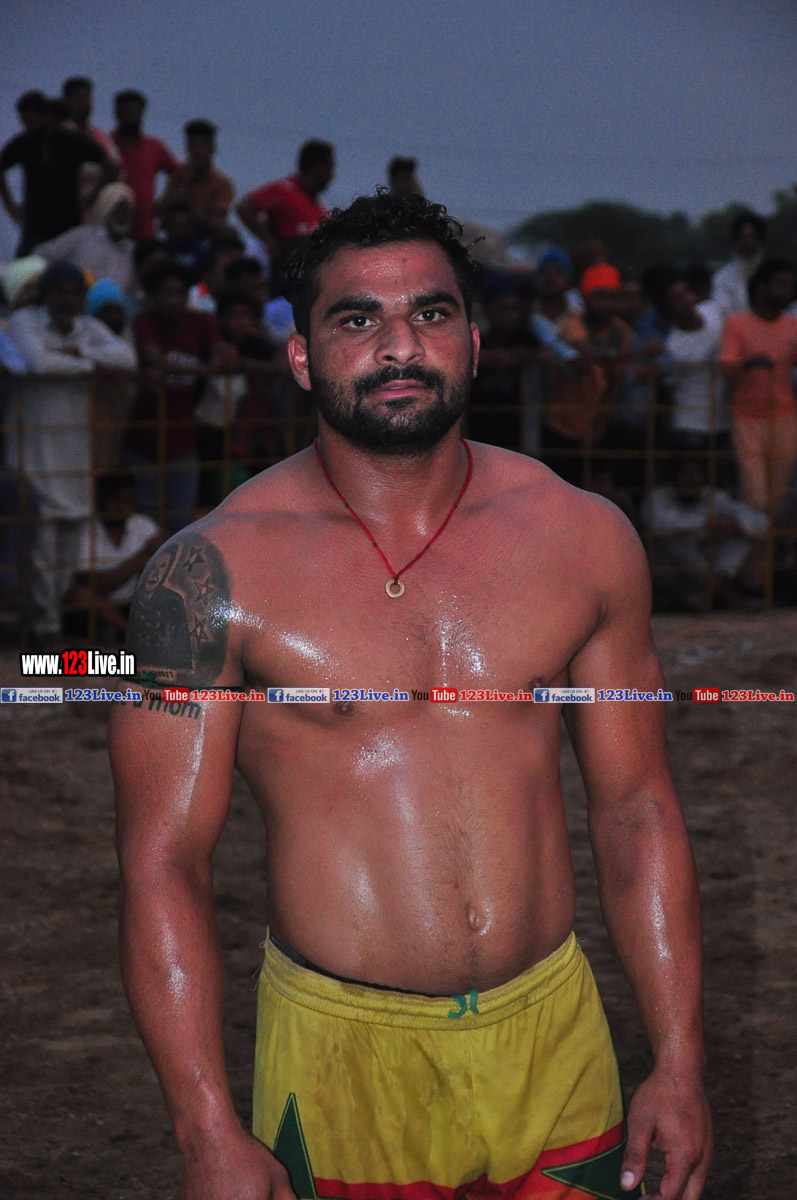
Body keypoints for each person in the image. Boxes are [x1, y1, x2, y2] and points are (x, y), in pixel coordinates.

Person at [110, 191, 711, 1200]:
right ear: (302, 357)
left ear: (472, 340)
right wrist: (205, 1127)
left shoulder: (582, 537)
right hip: (341, 1057)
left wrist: (680, 1064)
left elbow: (636, 809)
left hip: (556, 1040)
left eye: (429, 313)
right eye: (357, 320)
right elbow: (163, 861)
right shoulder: (208, 575)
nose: (399, 347)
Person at [5, 261, 135, 639]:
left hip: (75, 458)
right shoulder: (25, 321)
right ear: (46, 294)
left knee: (69, 549)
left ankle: (56, 624)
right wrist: (91, 363)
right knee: (41, 551)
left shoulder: (87, 327)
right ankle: (43, 627)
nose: (68, 299)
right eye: (60, 292)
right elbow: (38, 362)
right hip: (33, 455)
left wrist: (77, 353)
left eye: (75, 293)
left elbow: (127, 358)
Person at [124, 259, 234, 531]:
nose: (173, 300)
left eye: (179, 292)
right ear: (153, 295)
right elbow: (155, 359)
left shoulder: (202, 321)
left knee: (181, 520)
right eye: (166, 292)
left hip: (184, 437)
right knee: (145, 519)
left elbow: (221, 354)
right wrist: (205, 368)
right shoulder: (144, 321)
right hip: (144, 435)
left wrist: (220, 357)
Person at [719, 257, 797, 513]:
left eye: (790, 285)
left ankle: (771, 540)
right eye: (781, 284)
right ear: (763, 286)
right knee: (756, 497)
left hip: (785, 417)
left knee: (779, 496)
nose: (787, 291)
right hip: (747, 419)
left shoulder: (792, 325)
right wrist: (750, 363)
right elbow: (725, 367)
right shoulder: (737, 323)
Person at [0, 90, 113, 255]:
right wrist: (11, 207)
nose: (28, 126)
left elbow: (110, 165)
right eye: (24, 121)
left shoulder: (71, 141)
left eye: (31, 120)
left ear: (45, 116)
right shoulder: (23, 143)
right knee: (26, 264)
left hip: (67, 223)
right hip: (35, 225)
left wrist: (91, 197)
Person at [65, 471, 165, 637]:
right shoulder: (85, 531)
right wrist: (139, 560)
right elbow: (97, 584)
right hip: (99, 607)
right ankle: (131, 634)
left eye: (127, 501)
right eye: (115, 501)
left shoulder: (140, 523)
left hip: (134, 602)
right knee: (81, 595)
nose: (122, 507)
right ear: (101, 502)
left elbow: (166, 546)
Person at [236, 139, 335, 292]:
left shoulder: (318, 207)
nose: (332, 175)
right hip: (283, 272)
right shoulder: (284, 191)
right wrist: (268, 240)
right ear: (317, 166)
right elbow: (244, 207)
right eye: (329, 168)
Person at [33, 181, 136, 293]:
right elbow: (41, 256)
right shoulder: (81, 236)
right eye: (120, 209)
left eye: (128, 211)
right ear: (106, 209)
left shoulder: (131, 251)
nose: (124, 216)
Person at [111, 90, 178, 240]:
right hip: (110, 225)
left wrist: (165, 201)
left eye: (137, 112)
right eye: (128, 112)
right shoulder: (107, 144)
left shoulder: (154, 147)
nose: (133, 117)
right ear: (117, 113)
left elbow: (178, 174)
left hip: (143, 228)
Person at [158, 119, 235, 238]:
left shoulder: (222, 183)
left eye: (202, 145)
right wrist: (182, 186)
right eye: (193, 145)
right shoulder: (178, 177)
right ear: (187, 148)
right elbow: (162, 216)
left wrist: (189, 209)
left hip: (206, 240)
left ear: (212, 149)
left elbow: (217, 221)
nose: (197, 151)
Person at [711, 211, 766, 319]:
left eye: (753, 237)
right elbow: (722, 311)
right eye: (744, 237)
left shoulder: (772, 276)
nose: (749, 243)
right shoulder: (722, 278)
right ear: (736, 241)